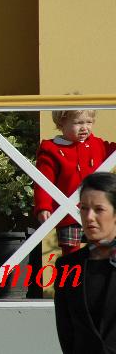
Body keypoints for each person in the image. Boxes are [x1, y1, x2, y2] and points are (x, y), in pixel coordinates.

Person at [34, 109, 116, 255]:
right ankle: (72, 277)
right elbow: (44, 181)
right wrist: (43, 206)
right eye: (78, 123)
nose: (85, 127)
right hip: (67, 213)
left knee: (101, 247)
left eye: (89, 122)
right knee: (71, 252)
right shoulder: (52, 150)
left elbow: (113, 151)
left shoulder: (97, 145)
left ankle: (94, 276)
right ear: (61, 124)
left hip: (96, 210)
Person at [55, 172, 116, 353]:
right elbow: (66, 333)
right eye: (83, 208)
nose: (89, 217)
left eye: (99, 209)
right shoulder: (68, 267)